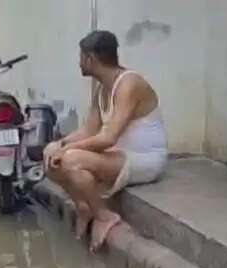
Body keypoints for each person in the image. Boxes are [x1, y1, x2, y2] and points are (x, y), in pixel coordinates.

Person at [44, 30, 167, 252]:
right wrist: (59, 145)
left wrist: (68, 150)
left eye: (81, 56)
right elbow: (89, 131)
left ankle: (104, 215)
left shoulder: (129, 84)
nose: (78, 62)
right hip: (117, 156)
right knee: (51, 153)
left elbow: (108, 138)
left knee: (71, 160)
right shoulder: (102, 89)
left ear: (90, 59)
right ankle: (84, 207)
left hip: (144, 160)